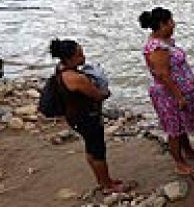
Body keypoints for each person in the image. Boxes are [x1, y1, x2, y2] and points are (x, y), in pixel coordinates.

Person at [48, 39, 132, 194]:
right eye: (79, 55)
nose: (83, 57)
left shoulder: (61, 70)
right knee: (98, 150)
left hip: (74, 117)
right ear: (69, 59)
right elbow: (97, 95)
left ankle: (102, 180)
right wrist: (105, 92)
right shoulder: (76, 78)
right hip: (86, 117)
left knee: (90, 148)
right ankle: (108, 186)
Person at [139, 6, 194, 176]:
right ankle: (179, 162)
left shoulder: (166, 42)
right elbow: (163, 74)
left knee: (182, 124)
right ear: (162, 24)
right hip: (168, 94)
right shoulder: (157, 48)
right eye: (171, 22)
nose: (174, 25)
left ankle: (188, 150)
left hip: (180, 89)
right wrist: (178, 96)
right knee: (174, 129)